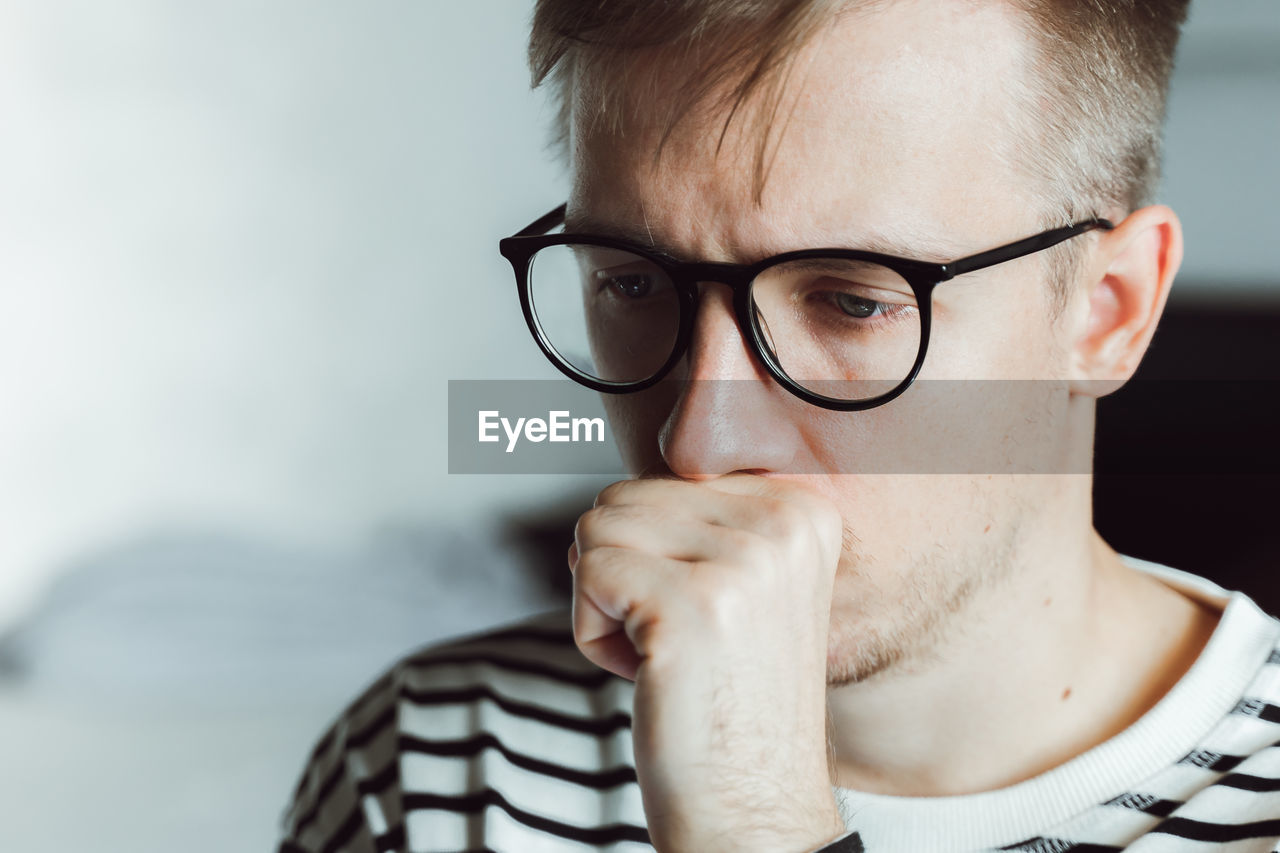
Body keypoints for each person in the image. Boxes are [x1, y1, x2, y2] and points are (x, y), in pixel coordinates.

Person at [277, 1, 1280, 851]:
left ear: (1107, 309)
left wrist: (752, 820)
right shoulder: (436, 765)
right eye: (631, 282)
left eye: (851, 301)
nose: (696, 444)